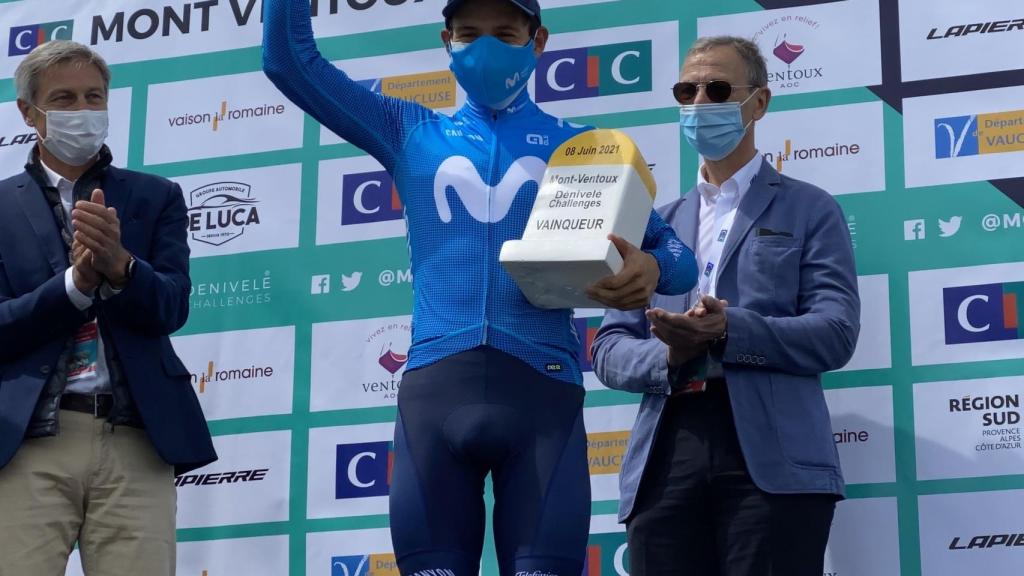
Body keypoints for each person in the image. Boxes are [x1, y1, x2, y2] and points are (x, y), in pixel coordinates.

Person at [263, 1, 697, 574]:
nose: (485, 47)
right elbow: (287, 61)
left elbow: (680, 261)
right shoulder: (408, 130)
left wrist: (652, 269)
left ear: (537, 41)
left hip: (542, 398)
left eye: (504, 34)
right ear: (446, 41)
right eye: (469, 34)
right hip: (436, 397)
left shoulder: (586, 149)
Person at [592, 36, 861, 576]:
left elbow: (835, 332)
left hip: (774, 458)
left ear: (759, 103)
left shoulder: (810, 208)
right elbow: (608, 348)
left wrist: (728, 329)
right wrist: (669, 355)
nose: (699, 103)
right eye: (686, 91)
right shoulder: (653, 224)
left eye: (716, 90)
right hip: (665, 454)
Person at [0, 40, 216, 576]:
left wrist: (123, 268)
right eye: (64, 99)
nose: (83, 110)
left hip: (136, 438)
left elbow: (172, 307)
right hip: (26, 441)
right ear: (28, 112)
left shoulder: (155, 196)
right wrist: (74, 286)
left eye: (94, 96)